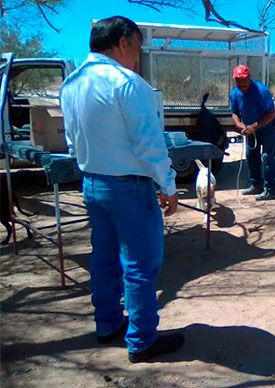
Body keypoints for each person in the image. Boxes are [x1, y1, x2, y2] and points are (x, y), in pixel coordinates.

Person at [60, 16, 184, 363]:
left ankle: (108, 324)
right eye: (138, 48)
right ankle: (142, 339)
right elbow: (150, 145)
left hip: (92, 183)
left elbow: (72, 141)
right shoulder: (128, 84)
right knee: (140, 265)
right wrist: (169, 185)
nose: (138, 56)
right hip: (129, 188)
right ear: (124, 41)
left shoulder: (71, 84)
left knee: (103, 260)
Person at [230, 64, 275, 201]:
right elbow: (234, 112)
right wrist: (239, 124)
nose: (241, 83)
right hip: (250, 129)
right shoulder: (234, 93)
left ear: (250, 78)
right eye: (238, 80)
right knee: (251, 155)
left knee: (267, 157)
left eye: (244, 80)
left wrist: (255, 125)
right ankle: (256, 184)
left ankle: (271, 189)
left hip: (267, 127)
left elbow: (272, 113)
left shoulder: (261, 91)